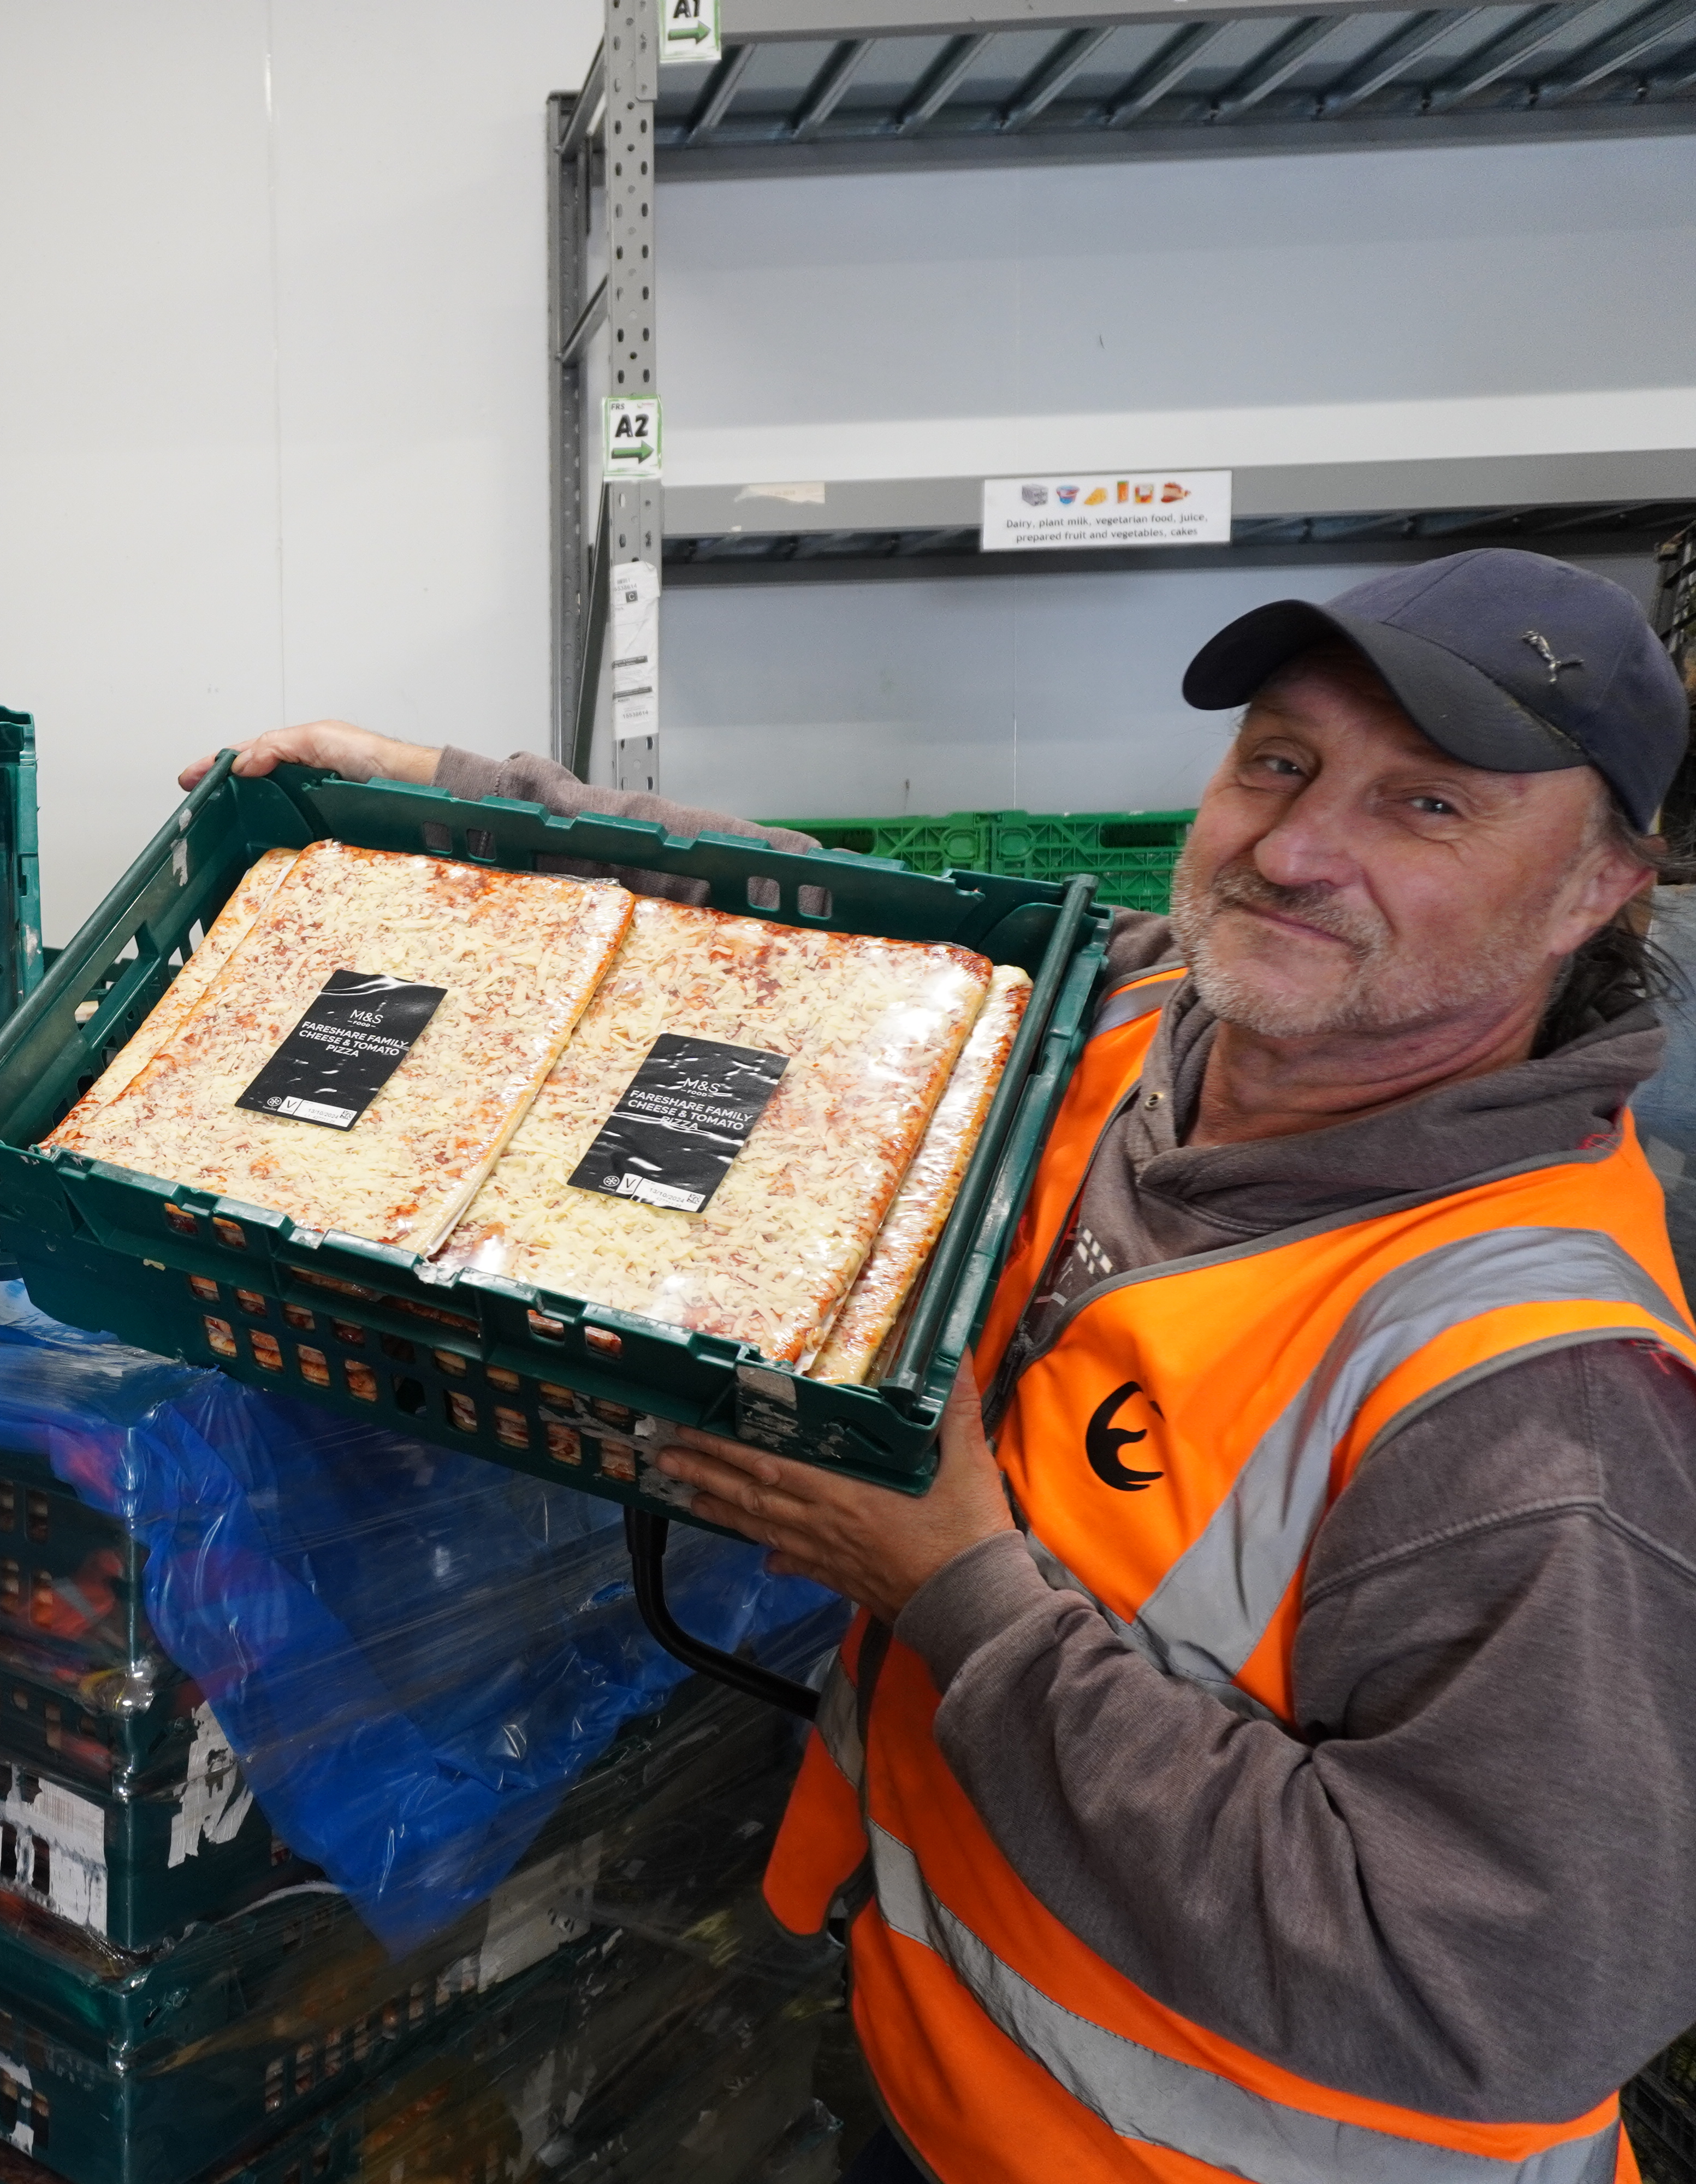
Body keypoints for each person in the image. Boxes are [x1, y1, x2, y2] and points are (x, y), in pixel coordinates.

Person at [200, 547, 1696, 2184]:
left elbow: (1499, 2004)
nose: (1293, 848)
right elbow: (833, 937)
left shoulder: (1537, 1415)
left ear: (1598, 889)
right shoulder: (1144, 1015)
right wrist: (457, 799)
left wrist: (957, 1590)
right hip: (935, 2081)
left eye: (1430, 810)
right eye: (1278, 761)